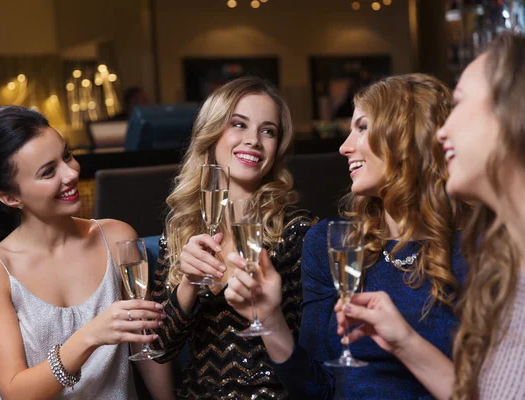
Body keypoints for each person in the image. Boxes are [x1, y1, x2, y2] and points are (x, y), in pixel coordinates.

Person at [225, 73, 471, 399]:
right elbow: (317, 390)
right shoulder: (330, 244)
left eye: (363, 128)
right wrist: (270, 318)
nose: (344, 147)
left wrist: (405, 343)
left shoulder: (477, 251)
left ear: (408, 137)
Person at [333, 32, 525, 400]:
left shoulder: (483, 254)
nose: (442, 131)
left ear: (511, 115)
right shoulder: (507, 258)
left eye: (461, 105)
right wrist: (404, 342)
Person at [0, 106, 172, 399]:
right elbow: (15, 393)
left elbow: (146, 344)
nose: (71, 173)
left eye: (67, 155)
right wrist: (89, 336)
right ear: (11, 197)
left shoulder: (117, 238)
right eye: (49, 172)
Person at [150, 76, 318, 399]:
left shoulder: (298, 230)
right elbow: (158, 349)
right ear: (212, 134)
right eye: (239, 125)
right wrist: (188, 283)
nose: (253, 140)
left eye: (267, 131)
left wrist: (267, 311)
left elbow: (309, 359)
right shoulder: (181, 229)